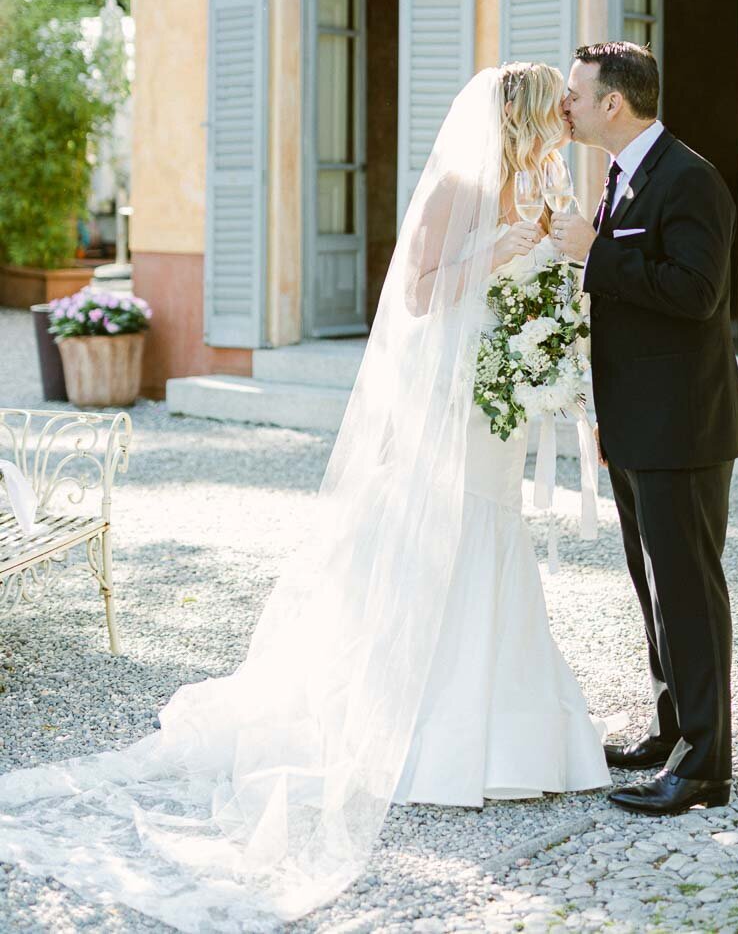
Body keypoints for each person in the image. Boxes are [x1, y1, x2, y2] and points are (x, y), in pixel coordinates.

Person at [0, 63, 608, 934]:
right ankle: (421, 728)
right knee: (448, 535)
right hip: (450, 398)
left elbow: (547, 288)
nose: (567, 124)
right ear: (524, 116)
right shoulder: (456, 187)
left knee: (496, 535)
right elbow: (419, 295)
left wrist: (549, 334)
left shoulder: (546, 184)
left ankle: (511, 730)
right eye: (557, 111)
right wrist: (498, 251)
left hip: (500, 399)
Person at [551, 41, 738, 817]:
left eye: (576, 93)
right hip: (638, 423)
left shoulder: (690, 178)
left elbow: (695, 293)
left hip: (685, 429)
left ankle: (706, 766)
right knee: (654, 591)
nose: (566, 105)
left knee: (690, 596)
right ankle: (674, 729)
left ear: (613, 103)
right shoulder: (621, 175)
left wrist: (595, 256)